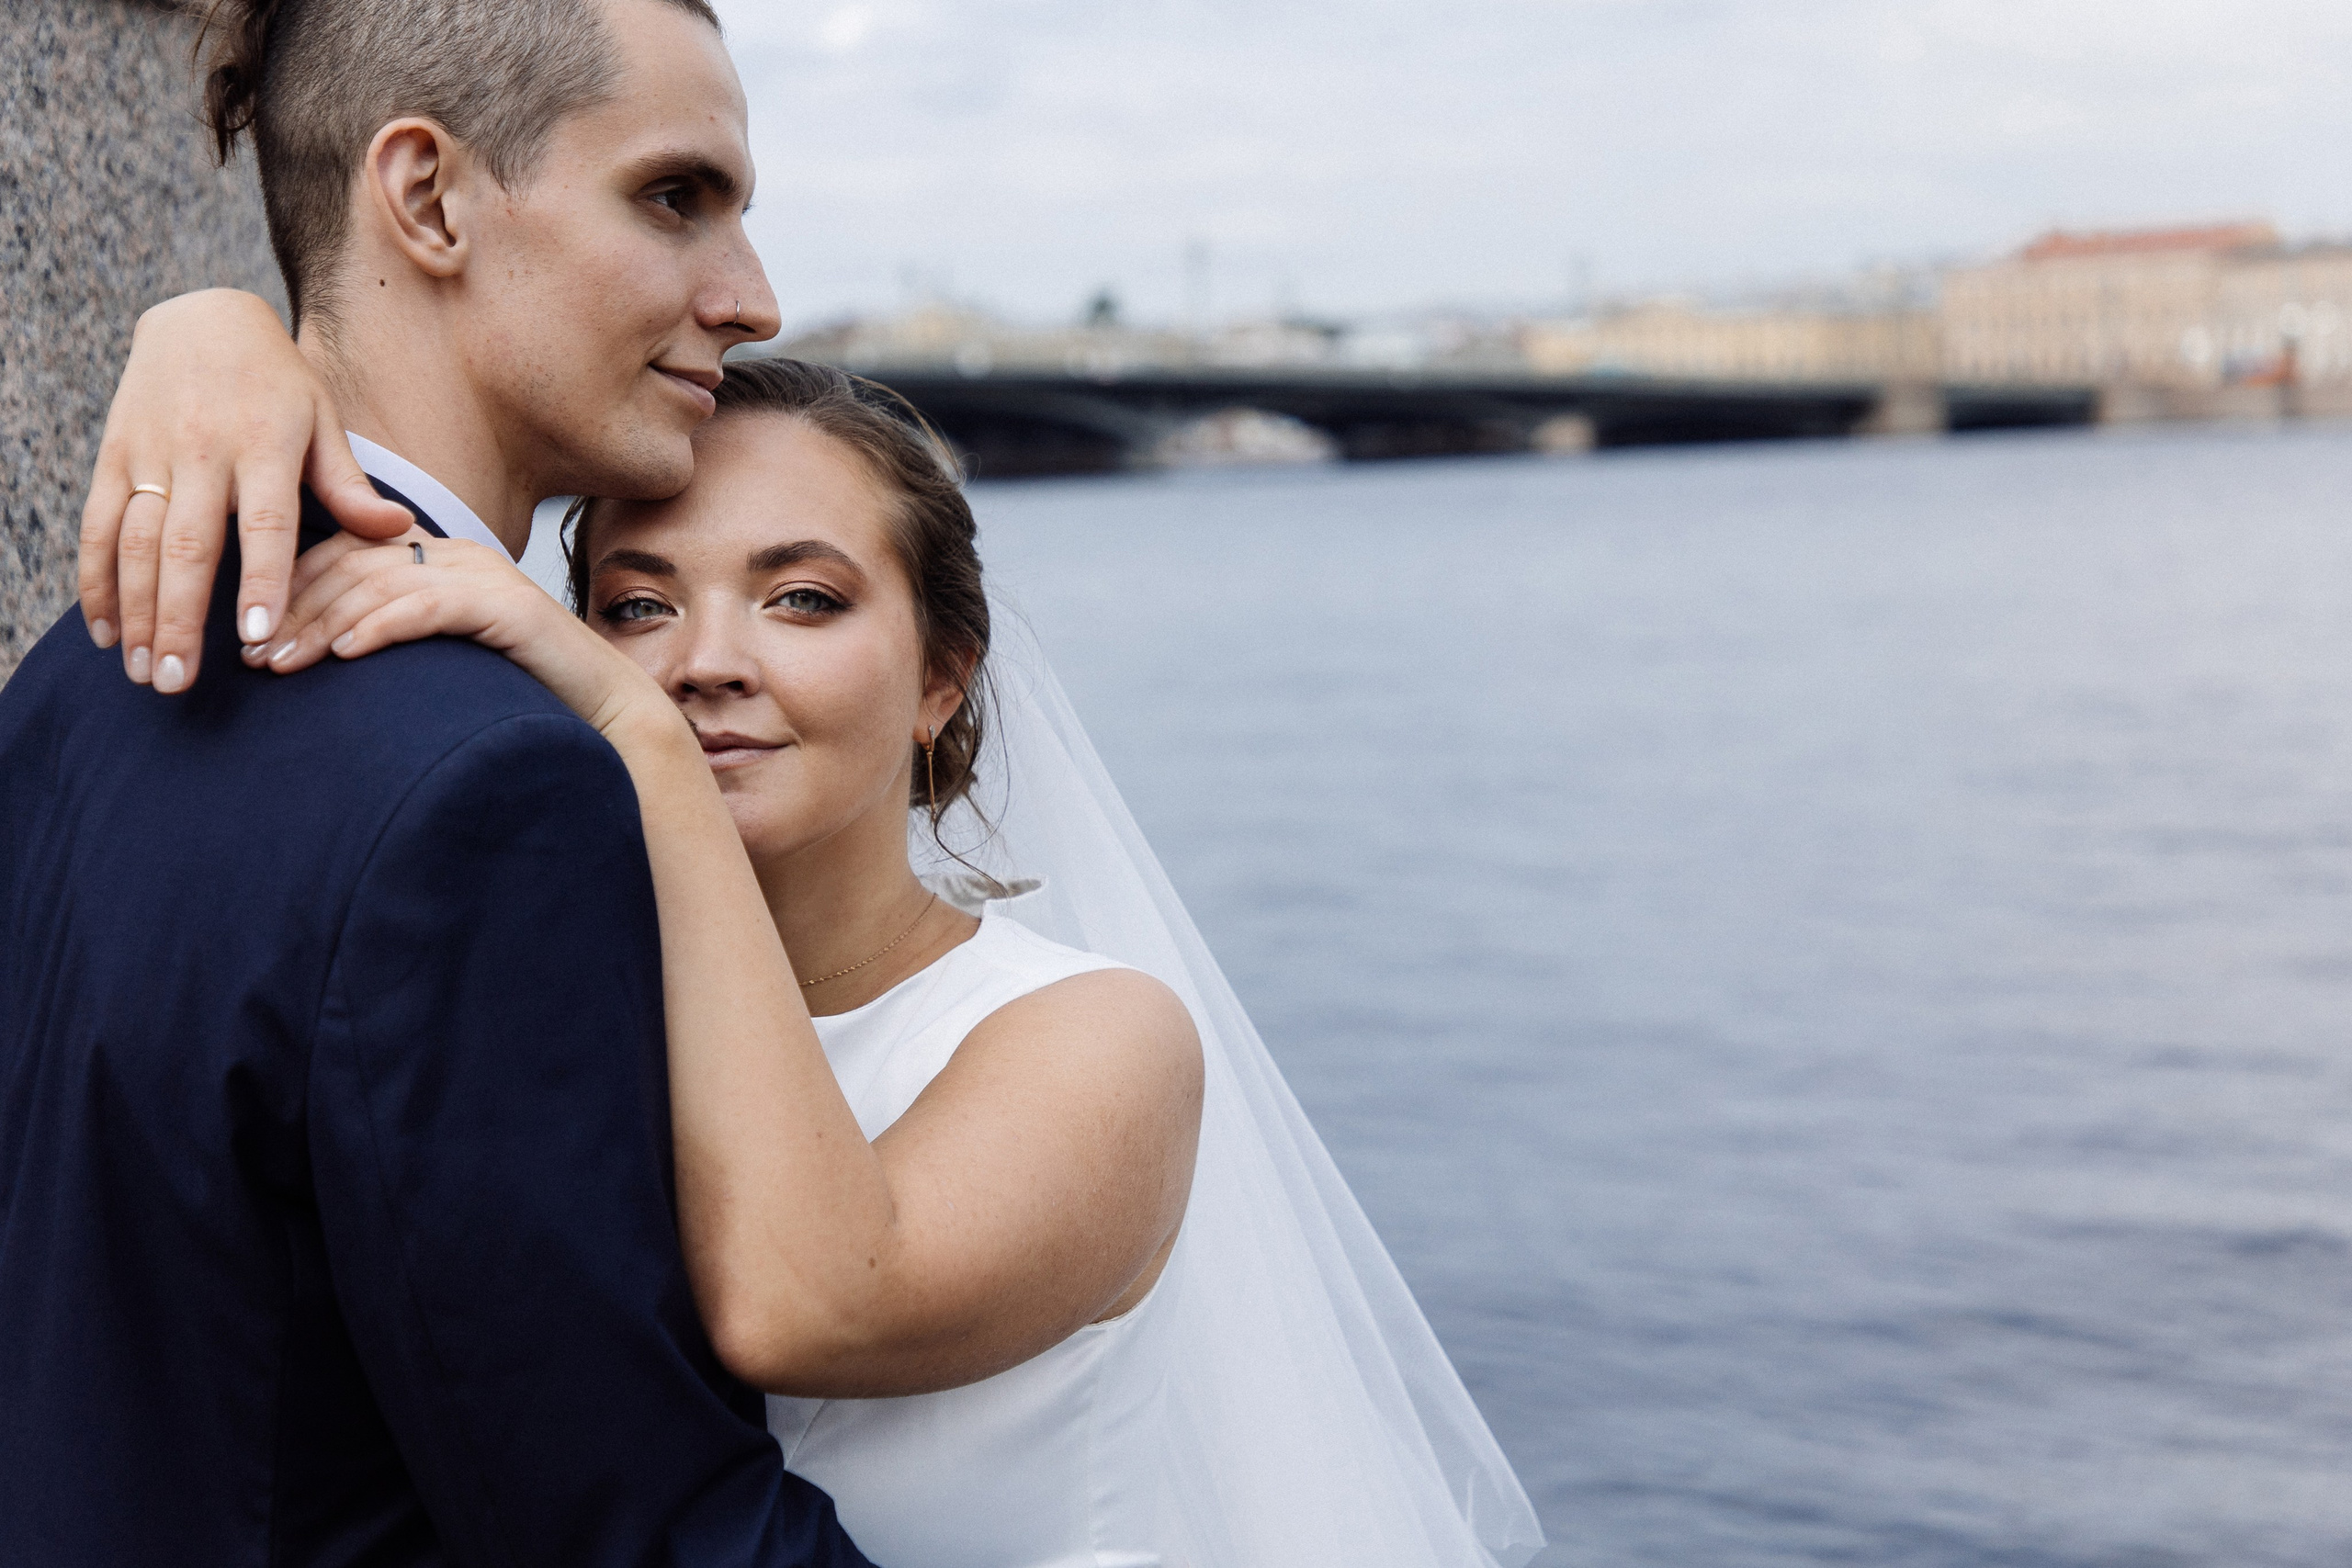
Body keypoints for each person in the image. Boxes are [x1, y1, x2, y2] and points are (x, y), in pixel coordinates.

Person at [134, 346, 1549, 1566]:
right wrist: (212, 337)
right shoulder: (547, 1007)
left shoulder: (1099, 1042)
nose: (703, 663)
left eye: (801, 599)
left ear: (943, 675)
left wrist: (638, 747)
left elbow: (807, 1296)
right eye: (637, 607)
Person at [0, 2, 876, 1563]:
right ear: (426, 198)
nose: (752, 299)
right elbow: (630, 1528)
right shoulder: (489, 788)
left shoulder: (72, 672)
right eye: (676, 197)